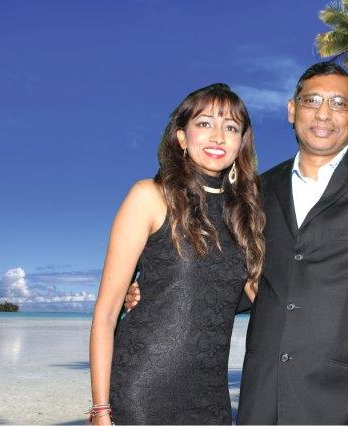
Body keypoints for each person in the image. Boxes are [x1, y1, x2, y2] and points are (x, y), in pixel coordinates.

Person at [126, 62, 348, 425]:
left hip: (343, 407)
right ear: (291, 110)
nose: (323, 113)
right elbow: (236, 280)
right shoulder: (255, 191)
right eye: (312, 100)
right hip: (260, 403)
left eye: (339, 103)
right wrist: (159, 290)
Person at [89, 83, 265, 425]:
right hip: (142, 393)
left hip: (212, 399)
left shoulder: (246, 215)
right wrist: (100, 409)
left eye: (231, 127)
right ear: (182, 137)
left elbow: (260, 297)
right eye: (204, 123)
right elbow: (106, 313)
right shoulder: (150, 196)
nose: (218, 136)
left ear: (241, 142)